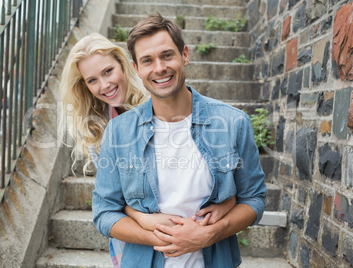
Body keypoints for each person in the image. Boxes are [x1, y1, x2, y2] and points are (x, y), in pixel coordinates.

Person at [92, 14, 267, 268]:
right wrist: (162, 237)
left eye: (167, 55)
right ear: (136, 69)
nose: (159, 68)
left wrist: (210, 234)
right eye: (147, 61)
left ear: (184, 55)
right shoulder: (119, 132)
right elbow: (105, 213)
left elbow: (254, 199)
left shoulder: (233, 123)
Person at [59, 32, 237, 267]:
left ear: (125, 65)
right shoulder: (99, 130)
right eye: (92, 80)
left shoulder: (160, 98)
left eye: (108, 72)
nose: (105, 85)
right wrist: (143, 218)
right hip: (135, 237)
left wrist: (226, 204)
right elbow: (111, 201)